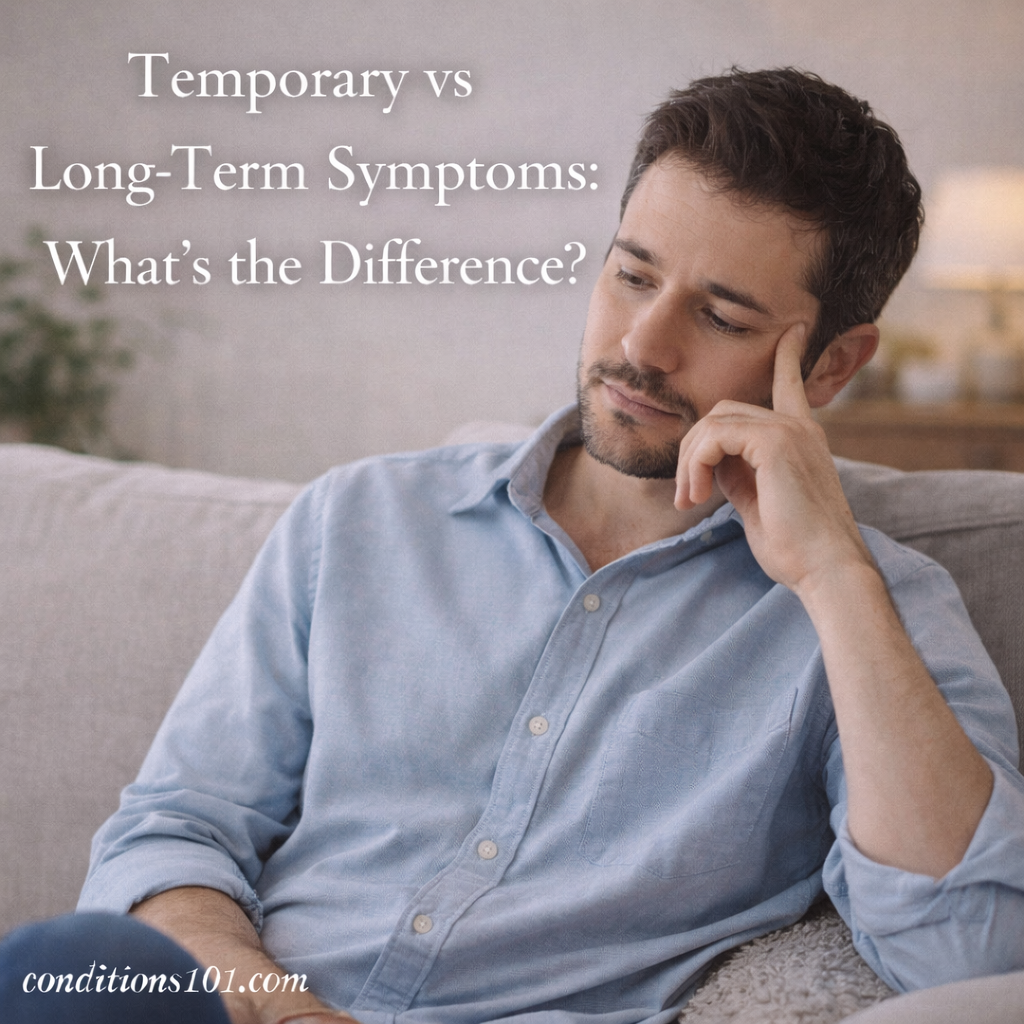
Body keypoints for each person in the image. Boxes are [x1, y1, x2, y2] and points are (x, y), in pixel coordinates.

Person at [6, 67, 1023, 1024]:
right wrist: (261, 994)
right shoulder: (358, 520)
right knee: (57, 966)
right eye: (631, 275)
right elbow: (177, 826)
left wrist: (831, 577)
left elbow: (966, 955)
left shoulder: (877, 610)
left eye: (717, 315)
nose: (640, 345)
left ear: (833, 363)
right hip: (249, 1003)